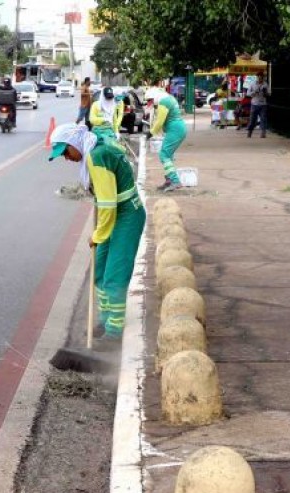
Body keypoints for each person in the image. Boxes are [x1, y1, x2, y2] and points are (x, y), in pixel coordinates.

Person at [48, 123, 145, 348]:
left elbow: (109, 204)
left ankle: (114, 332)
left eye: (65, 151)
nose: (66, 158)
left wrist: (98, 235)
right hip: (113, 215)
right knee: (99, 271)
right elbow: (105, 200)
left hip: (127, 216)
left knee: (114, 275)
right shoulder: (94, 148)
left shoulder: (97, 156)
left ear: (74, 143)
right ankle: (105, 320)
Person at [149, 85, 187, 192]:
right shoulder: (168, 98)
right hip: (177, 128)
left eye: (150, 100)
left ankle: (175, 181)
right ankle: (169, 181)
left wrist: (150, 133)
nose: (151, 103)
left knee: (164, 154)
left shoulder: (163, 101)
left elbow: (160, 121)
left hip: (175, 129)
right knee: (168, 156)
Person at [247, 71, 270, 138]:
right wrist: (254, 92)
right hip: (254, 104)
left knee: (263, 119)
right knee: (252, 119)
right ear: (257, 77)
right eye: (259, 77)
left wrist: (265, 92)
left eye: (261, 77)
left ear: (263, 77)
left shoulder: (265, 84)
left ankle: (263, 133)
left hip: (263, 104)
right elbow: (248, 93)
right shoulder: (252, 84)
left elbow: (268, 94)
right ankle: (249, 132)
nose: (260, 78)